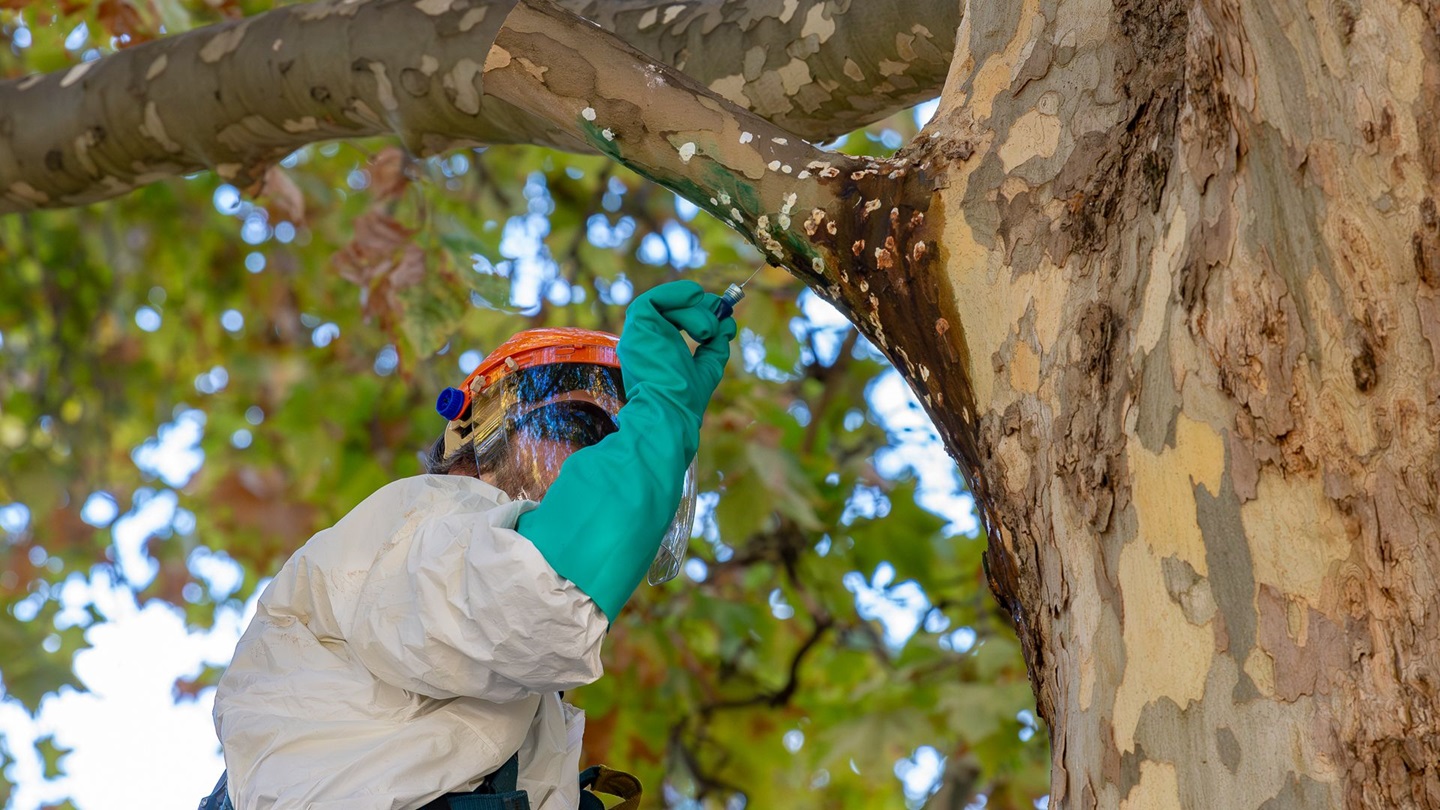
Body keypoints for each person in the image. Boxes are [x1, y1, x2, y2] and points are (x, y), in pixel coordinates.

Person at [198, 280, 738, 810]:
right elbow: (534, 592)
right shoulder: (418, 522)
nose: (599, 460)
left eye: (617, 445)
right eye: (581, 428)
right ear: (472, 433)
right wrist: (661, 417)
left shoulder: (525, 689)